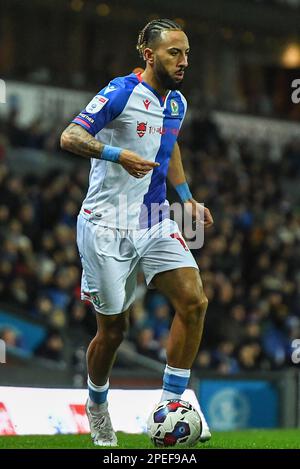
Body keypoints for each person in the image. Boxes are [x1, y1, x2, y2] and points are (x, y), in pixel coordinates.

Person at [61, 18, 213, 446]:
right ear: (149, 55)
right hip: (105, 226)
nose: (183, 62)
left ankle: (170, 407)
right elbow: (69, 136)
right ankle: (96, 405)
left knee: (195, 302)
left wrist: (186, 197)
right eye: (174, 53)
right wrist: (116, 154)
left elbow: (170, 143)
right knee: (113, 331)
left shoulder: (177, 103)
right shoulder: (120, 92)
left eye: (186, 53)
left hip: (153, 220)